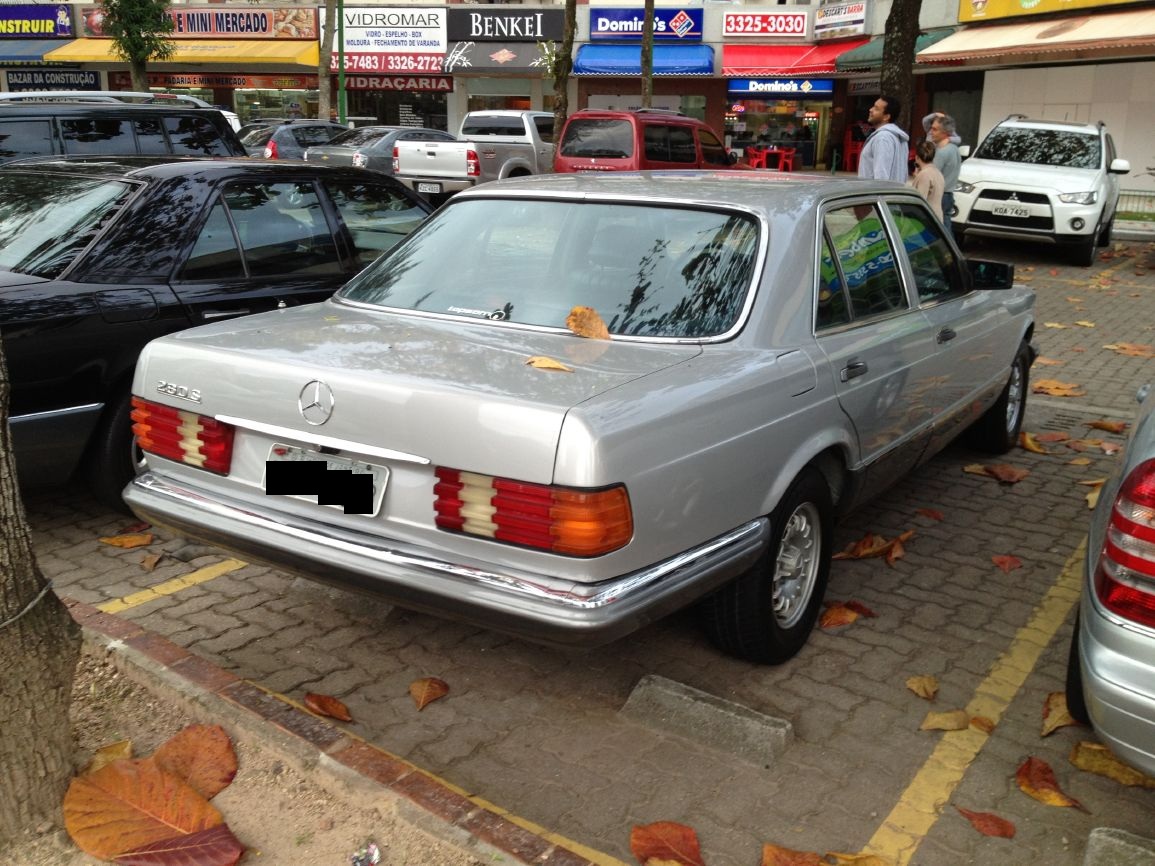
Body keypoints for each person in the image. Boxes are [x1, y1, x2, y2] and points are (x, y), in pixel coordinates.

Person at [858, 95, 909, 183]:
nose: (871, 109)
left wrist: (878, 196)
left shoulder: (882, 138)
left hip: (876, 195)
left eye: (876, 108)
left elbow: (881, 176)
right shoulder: (899, 138)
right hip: (894, 194)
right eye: (873, 106)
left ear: (886, 117)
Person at [928, 113, 961, 238]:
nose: (931, 132)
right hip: (948, 194)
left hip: (939, 195)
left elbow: (931, 176)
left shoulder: (942, 152)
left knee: (938, 230)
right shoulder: (954, 149)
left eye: (935, 129)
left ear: (945, 133)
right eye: (932, 128)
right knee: (946, 225)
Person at [909, 139, 945, 221]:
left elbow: (919, 202)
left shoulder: (924, 174)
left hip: (926, 221)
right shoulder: (938, 173)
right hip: (937, 218)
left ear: (917, 157)